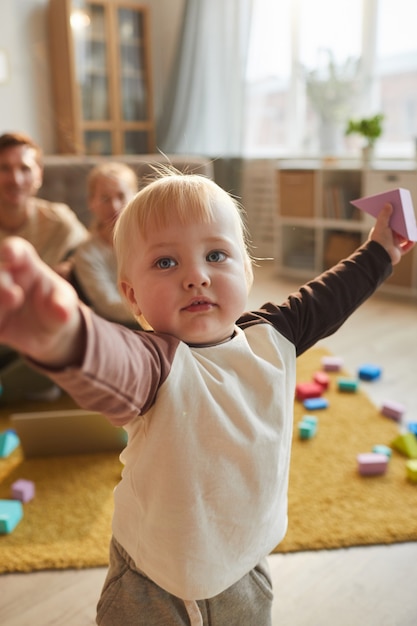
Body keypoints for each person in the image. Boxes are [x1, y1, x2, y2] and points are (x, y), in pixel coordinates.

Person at [0, 171, 413, 625]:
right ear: (132, 296)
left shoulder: (273, 335)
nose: (196, 276)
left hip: (246, 562)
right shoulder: (155, 364)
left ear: (248, 270)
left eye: (216, 255)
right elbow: (111, 363)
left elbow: (331, 296)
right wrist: (67, 338)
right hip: (153, 580)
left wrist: (381, 251)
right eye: (165, 263)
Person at [0, 131, 89, 402]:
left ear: (38, 176)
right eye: (4, 169)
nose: (15, 179)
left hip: (39, 333)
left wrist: (70, 265)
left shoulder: (58, 220)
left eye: (24, 169)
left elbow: (92, 252)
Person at [71, 162, 139, 326]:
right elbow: (108, 305)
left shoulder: (154, 239)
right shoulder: (87, 253)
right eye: (104, 198)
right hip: (120, 329)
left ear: (136, 197)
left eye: (121, 196)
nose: (114, 206)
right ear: (91, 202)